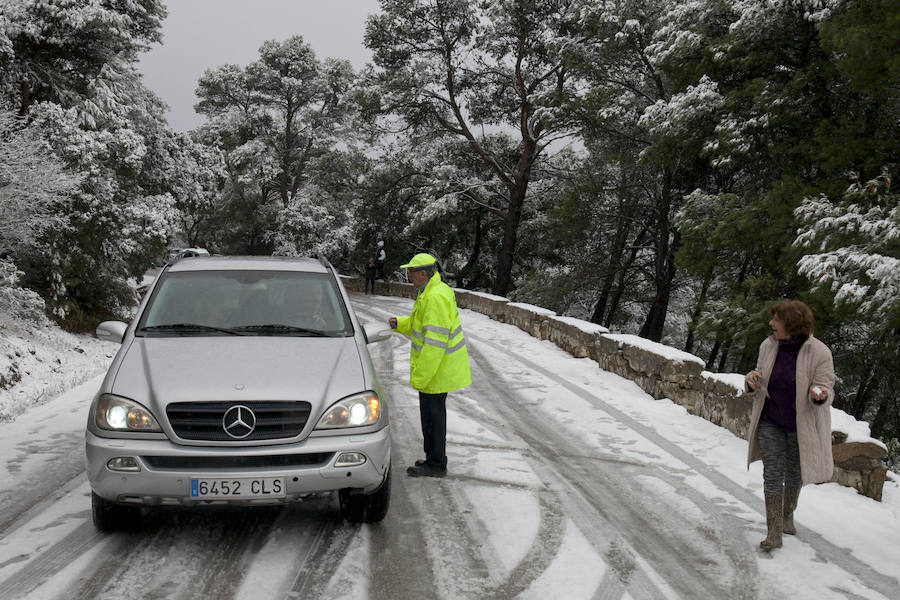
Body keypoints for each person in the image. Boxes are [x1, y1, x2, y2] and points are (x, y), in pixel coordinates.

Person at [745, 299, 834, 552]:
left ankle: (787, 515)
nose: (771, 324)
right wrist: (752, 380)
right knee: (772, 473)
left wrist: (820, 394)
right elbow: (759, 374)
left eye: (776, 320)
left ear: (791, 324)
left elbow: (826, 386)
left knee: (794, 474)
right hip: (770, 420)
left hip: (800, 425)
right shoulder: (768, 345)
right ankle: (773, 532)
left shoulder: (819, 352)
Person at [388, 253, 471, 477]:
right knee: (432, 418)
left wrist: (421, 376)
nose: (408, 275)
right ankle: (433, 458)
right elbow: (420, 325)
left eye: (411, 271)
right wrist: (401, 324)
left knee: (433, 419)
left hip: (436, 371)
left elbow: (434, 343)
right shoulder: (431, 292)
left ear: (423, 273)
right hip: (438, 370)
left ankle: (435, 464)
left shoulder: (434, 297)